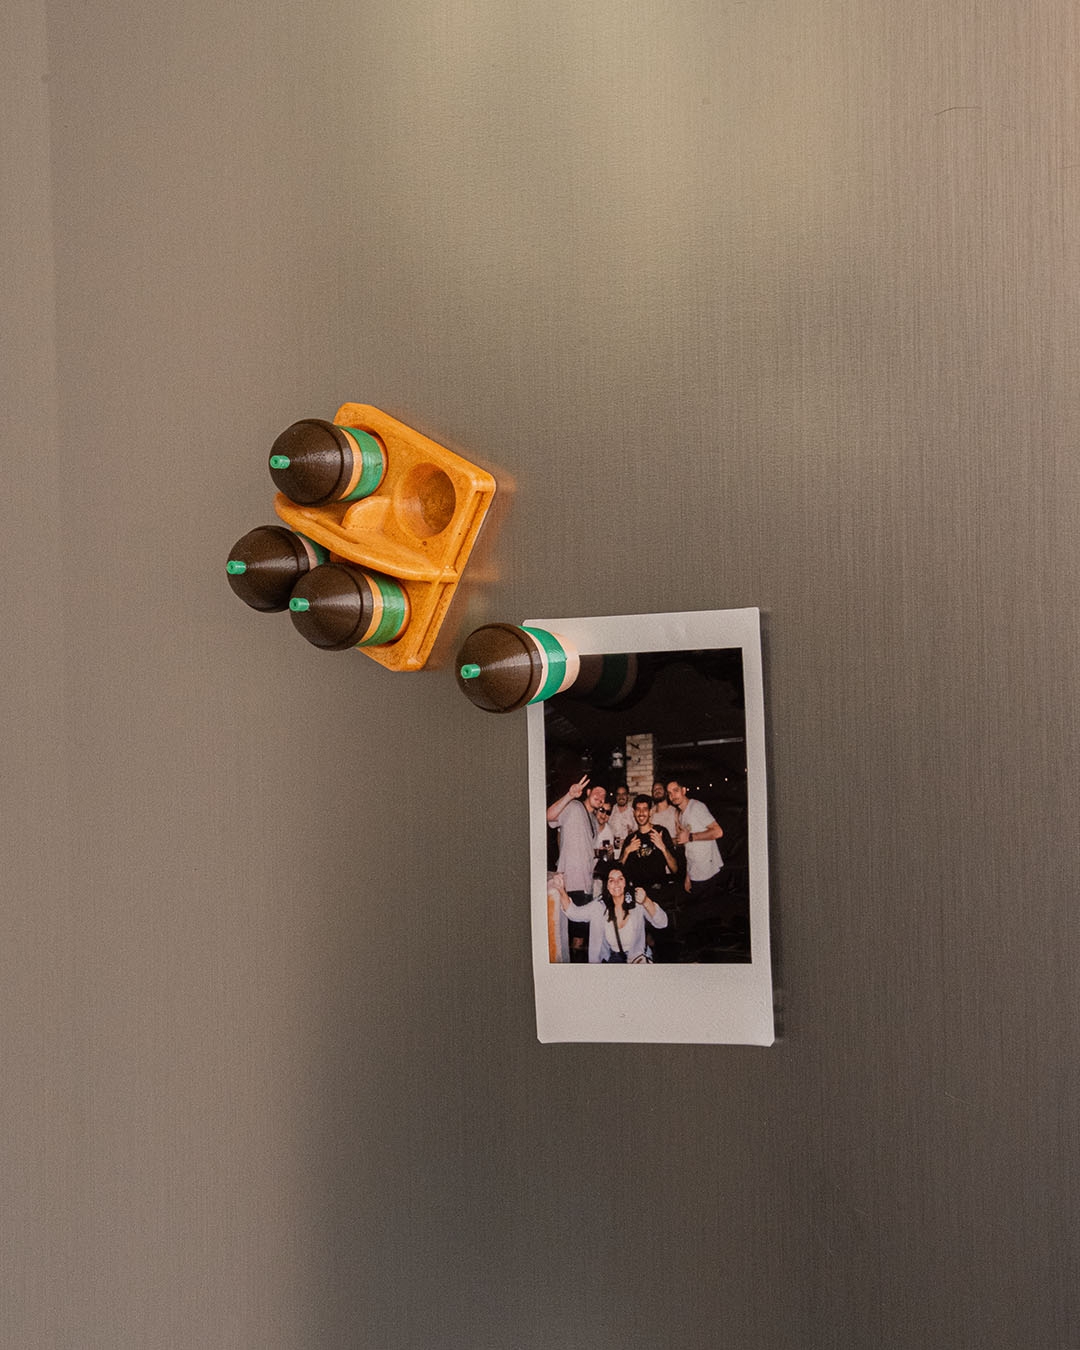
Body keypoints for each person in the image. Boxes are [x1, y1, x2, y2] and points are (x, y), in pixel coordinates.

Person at [550, 866, 668, 963]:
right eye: (611, 880)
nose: (616, 883)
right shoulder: (599, 906)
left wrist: (646, 901)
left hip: (638, 957)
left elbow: (662, 923)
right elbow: (574, 913)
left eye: (620, 879)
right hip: (612, 958)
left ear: (626, 882)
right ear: (607, 886)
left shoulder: (637, 903)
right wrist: (561, 889)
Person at [546, 775, 608, 961]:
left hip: (586, 884)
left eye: (603, 796)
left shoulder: (594, 821)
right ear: (588, 792)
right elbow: (549, 816)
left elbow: (585, 848)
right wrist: (569, 795)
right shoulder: (573, 806)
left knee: (580, 935)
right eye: (597, 792)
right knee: (569, 935)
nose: (600, 797)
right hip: (571, 882)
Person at [666, 777, 723, 905]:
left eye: (675, 790)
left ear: (684, 790)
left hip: (707, 872)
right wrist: (688, 876)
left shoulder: (697, 807)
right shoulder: (681, 814)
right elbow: (689, 847)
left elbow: (718, 832)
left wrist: (691, 837)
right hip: (695, 872)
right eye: (669, 793)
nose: (672, 796)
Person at [620, 795, 677, 895]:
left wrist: (663, 848)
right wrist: (626, 851)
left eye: (645, 809)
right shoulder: (630, 839)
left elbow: (675, 869)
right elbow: (618, 870)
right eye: (638, 809)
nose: (641, 813)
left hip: (658, 893)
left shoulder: (661, 832)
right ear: (634, 813)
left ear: (650, 812)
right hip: (637, 893)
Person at [607, 784, 635, 849]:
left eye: (623, 794)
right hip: (613, 850)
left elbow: (638, 831)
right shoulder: (610, 811)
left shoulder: (633, 812)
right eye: (618, 794)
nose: (621, 797)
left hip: (628, 849)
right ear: (616, 796)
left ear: (628, 795)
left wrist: (631, 834)